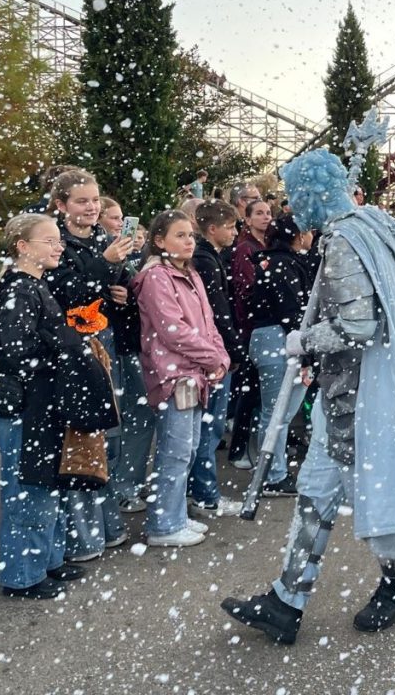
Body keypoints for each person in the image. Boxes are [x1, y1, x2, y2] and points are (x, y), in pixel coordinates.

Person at [221, 149, 395, 643]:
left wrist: (306, 340)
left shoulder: (345, 238)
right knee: (315, 494)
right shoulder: (371, 227)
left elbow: (361, 325)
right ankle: (287, 599)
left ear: (315, 193)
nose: (292, 208)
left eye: (297, 196)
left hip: (363, 401)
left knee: (379, 497)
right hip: (347, 395)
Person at [0, 213, 89, 600]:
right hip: (26, 405)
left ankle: (48, 559)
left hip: (41, 403)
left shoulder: (33, 286)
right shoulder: (17, 290)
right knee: (27, 488)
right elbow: (18, 353)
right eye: (49, 241)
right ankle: (21, 575)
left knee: (45, 483)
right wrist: (64, 350)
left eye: (58, 240)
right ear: (23, 247)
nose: (58, 246)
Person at [45, 169, 133, 561]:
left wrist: (120, 289)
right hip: (74, 347)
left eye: (95, 200)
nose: (92, 207)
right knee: (82, 436)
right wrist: (103, 264)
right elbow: (64, 292)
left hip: (105, 338)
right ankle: (82, 536)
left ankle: (107, 524)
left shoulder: (102, 238)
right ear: (62, 206)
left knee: (110, 433)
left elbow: (106, 283)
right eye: (82, 201)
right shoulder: (56, 242)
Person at [132, 210, 229, 548]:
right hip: (173, 374)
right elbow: (173, 331)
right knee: (174, 451)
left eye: (190, 235)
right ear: (159, 241)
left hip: (194, 372)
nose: (189, 241)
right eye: (180, 235)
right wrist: (212, 356)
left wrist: (219, 355)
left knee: (186, 448)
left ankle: (174, 514)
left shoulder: (189, 273)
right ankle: (163, 523)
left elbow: (207, 322)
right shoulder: (156, 277)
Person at [246, 214, 316, 496]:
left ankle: (271, 470)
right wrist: (307, 354)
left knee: (277, 413)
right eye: (308, 231)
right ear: (297, 235)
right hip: (280, 340)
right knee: (276, 414)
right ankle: (272, 475)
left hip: (272, 338)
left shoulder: (273, 261)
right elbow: (292, 312)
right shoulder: (284, 264)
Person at [98, 199, 155, 514]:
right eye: (114, 217)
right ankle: (116, 486)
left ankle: (128, 479)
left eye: (123, 218)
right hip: (110, 344)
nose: (120, 224)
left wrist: (130, 296)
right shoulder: (95, 253)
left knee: (140, 415)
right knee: (117, 419)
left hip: (132, 342)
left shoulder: (134, 255)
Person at [188, 200, 243, 518]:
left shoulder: (209, 259)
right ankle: (205, 494)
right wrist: (233, 350)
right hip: (214, 352)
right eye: (230, 226)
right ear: (212, 229)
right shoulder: (207, 262)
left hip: (212, 349)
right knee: (208, 427)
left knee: (205, 428)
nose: (235, 232)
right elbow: (218, 311)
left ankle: (199, 491)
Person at [227, 198, 272, 469]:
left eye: (268, 212)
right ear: (248, 218)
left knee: (259, 391)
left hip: (261, 324)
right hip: (251, 326)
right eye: (259, 213)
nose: (265, 217)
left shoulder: (267, 245)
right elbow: (245, 288)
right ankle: (239, 448)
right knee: (250, 390)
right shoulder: (246, 248)